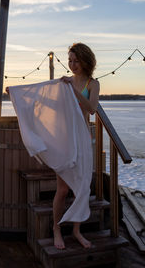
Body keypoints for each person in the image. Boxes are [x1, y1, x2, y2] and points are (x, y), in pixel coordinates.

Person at [53, 42, 100, 250]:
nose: (72, 64)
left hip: (82, 140)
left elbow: (91, 109)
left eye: (76, 60)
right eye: (70, 60)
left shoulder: (92, 83)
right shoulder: (64, 82)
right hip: (65, 139)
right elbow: (48, 102)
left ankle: (76, 230)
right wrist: (18, 93)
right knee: (62, 189)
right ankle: (56, 229)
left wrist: (74, 89)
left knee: (82, 188)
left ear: (85, 60)